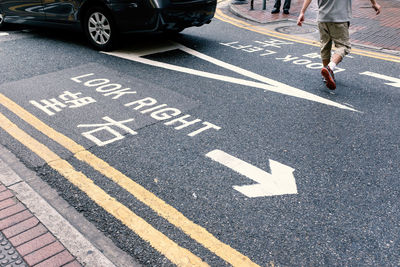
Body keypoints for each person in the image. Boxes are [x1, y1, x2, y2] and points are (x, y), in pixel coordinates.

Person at [297, 0, 381, 90]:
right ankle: (330, 68)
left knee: (325, 46)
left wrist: (302, 12)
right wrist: (374, 3)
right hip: (339, 19)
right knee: (344, 46)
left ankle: (327, 75)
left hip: (322, 18)